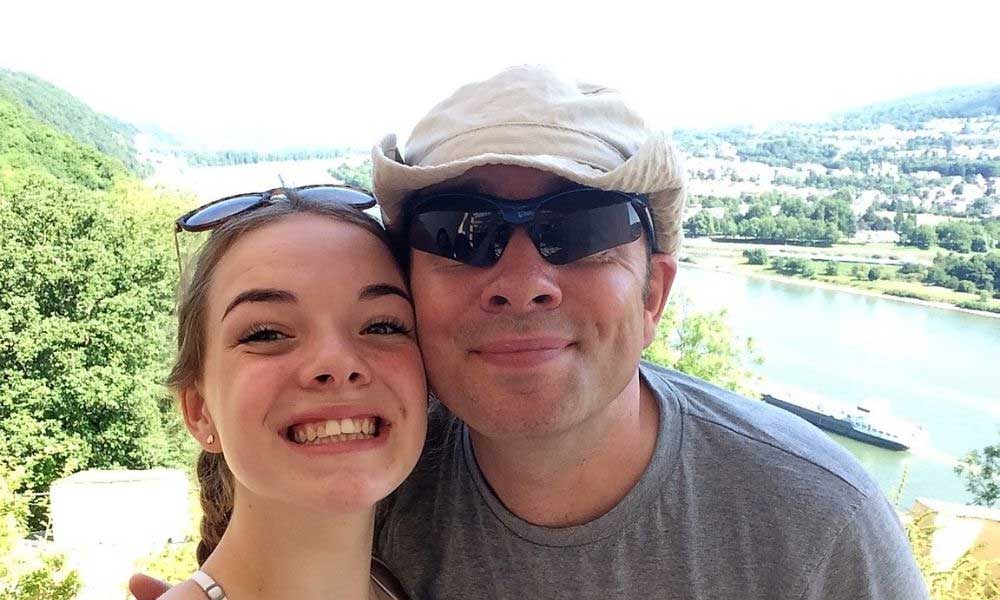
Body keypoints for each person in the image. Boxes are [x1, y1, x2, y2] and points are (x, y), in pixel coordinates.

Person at [133, 66, 929, 599]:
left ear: (653, 292)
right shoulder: (372, 470)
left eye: (579, 229)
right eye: (461, 231)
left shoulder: (816, 527)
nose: (521, 283)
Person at [151, 187, 425, 599]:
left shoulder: (398, 585)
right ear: (200, 411)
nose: (337, 363)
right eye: (266, 334)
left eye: (382, 326)